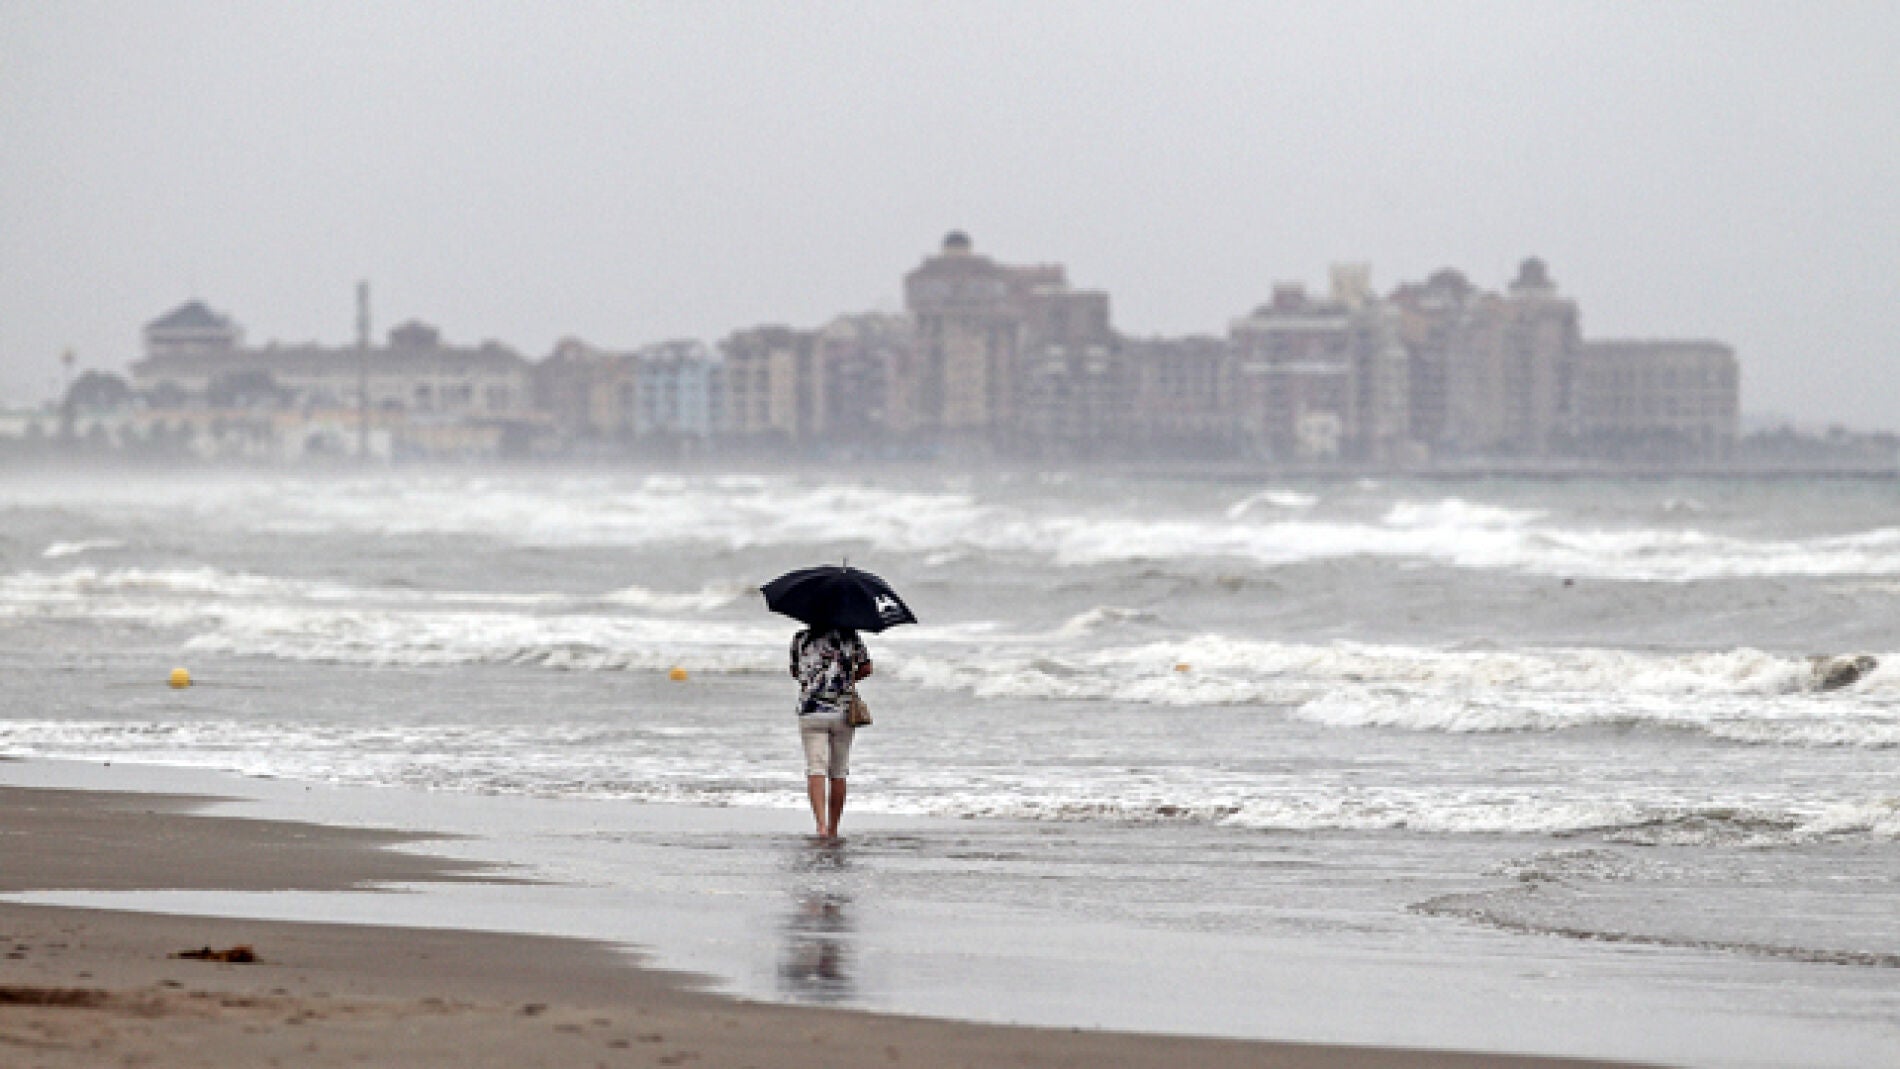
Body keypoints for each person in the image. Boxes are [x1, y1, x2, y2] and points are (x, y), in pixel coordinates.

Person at [789, 625, 872, 839]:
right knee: (838, 771)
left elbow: (795, 672)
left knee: (816, 767)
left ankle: (821, 826)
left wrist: (814, 681)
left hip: (811, 710)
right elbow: (866, 668)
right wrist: (845, 679)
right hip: (843, 712)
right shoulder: (850, 636)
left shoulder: (800, 638)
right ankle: (834, 827)